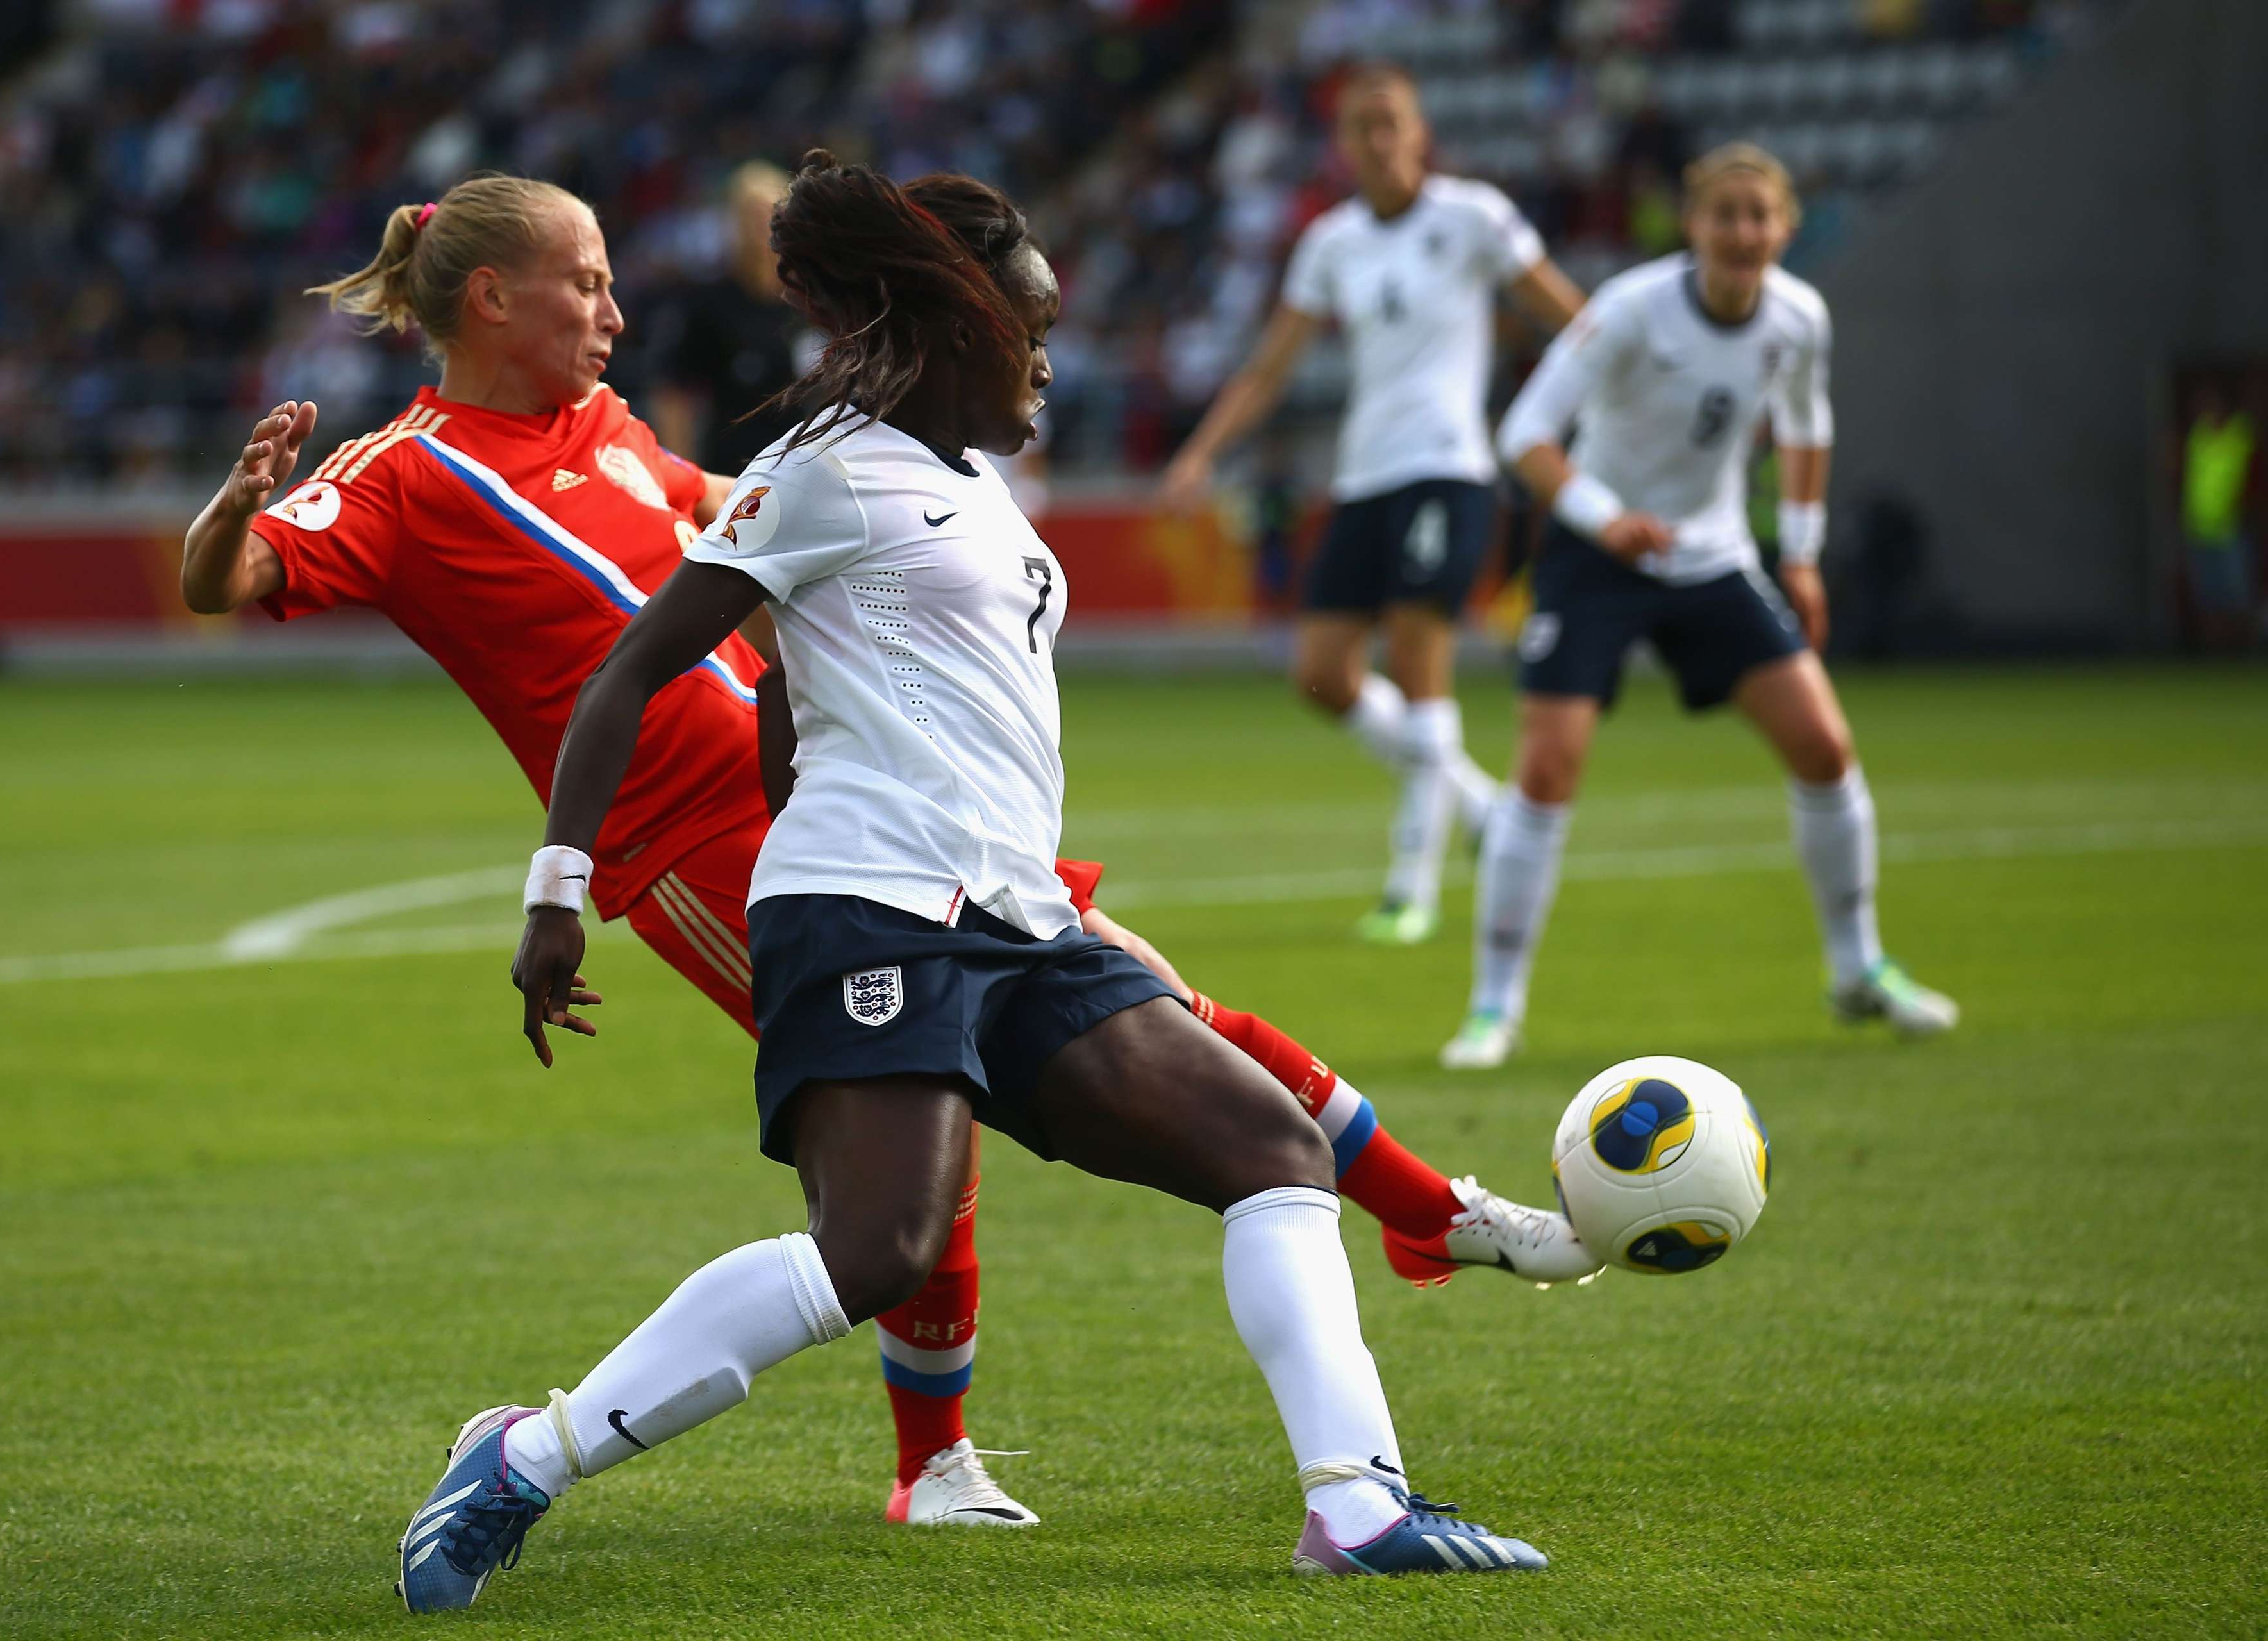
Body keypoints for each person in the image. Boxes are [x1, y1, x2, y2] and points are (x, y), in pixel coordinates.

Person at [178, 174, 1588, 1572]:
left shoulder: (670, 441)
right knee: (886, 1226)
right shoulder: (428, 465)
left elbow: (775, 588)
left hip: (974, 880)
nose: (617, 308)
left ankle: (1362, 1473)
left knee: (1232, 1108)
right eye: (587, 280)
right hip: (740, 851)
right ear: (489, 296)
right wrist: (559, 879)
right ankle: (640, 1454)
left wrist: (805, 706)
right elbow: (268, 590)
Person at [1440, 144, 1958, 1071]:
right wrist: (1608, 519)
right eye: (1726, 216)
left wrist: (1798, 556)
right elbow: (1524, 434)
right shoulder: (1632, 311)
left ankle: (1859, 969)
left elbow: (1806, 426)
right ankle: (1493, 1009)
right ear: (1695, 225)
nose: (1744, 234)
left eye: (1760, 217)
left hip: (1712, 558)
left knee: (1824, 747)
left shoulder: (1800, 317)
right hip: (1596, 556)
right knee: (1549, 769)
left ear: (1786, 228)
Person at [1160, 63, 1585, 945]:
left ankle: (1410, 885)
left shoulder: (1475, 217)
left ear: (1420, 131)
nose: (1379, 139)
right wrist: (1200, 453)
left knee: (1418, 656)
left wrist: (1613, 396)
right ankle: (1482, 807)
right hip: (1364, 476)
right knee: (1322, 674)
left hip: (1449, 469)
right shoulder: (1333, 242)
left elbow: (1570, 319)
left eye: (1392, 121)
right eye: (1362, 126)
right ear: (1343, 145)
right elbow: (1270, 367)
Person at [645, 161, 817, 479]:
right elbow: (673, 393)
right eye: (748, 214)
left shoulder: (815, 301)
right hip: (735, 471)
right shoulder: (708, 301)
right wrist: (686, 478)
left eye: (770, 213)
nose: (761, 225)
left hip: (810, 469)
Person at [2181, 378, 2257, 651]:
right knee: (2208, 594)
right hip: (2200, 527)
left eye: (2209, 404)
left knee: (2237, 592)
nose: (2204, 410)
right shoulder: (2198, 436)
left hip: (2232, 527)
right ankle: (2215, 653)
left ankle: (2248, 651)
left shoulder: (2240, 434)